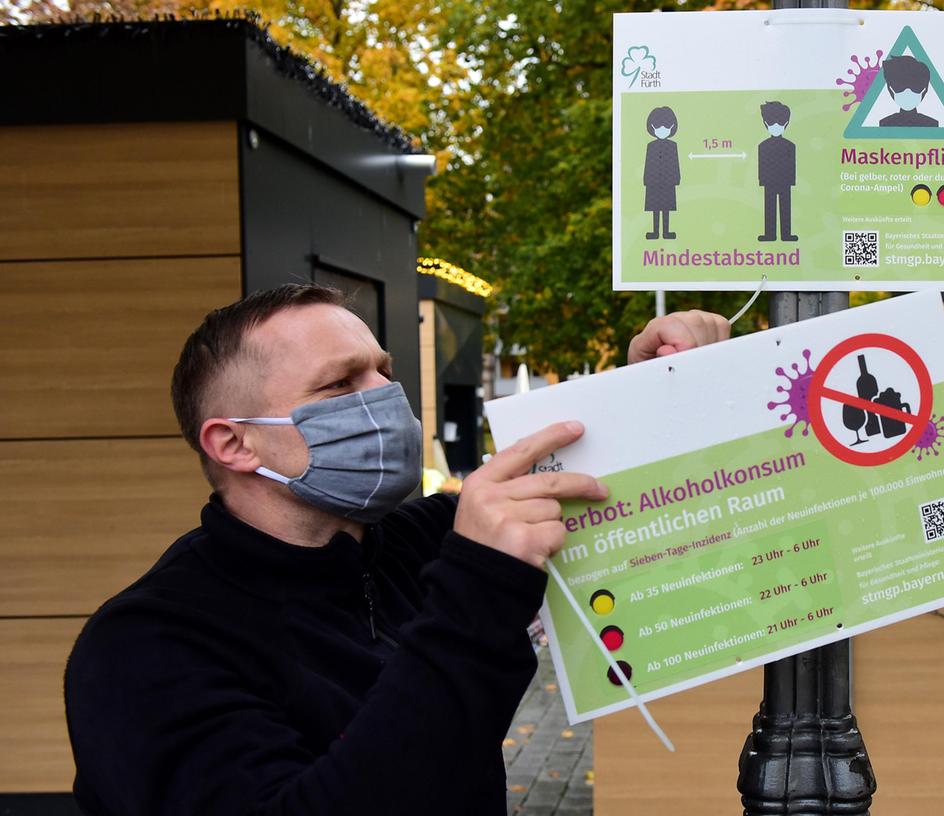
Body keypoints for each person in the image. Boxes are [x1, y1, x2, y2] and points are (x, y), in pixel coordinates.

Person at [63, 284, 730, 815]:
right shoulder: (145, 647)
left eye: (384, 371)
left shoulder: (409, 542)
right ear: (234, 443)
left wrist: (656, 389)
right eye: (340, 384)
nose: (386, 397)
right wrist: (475, 599)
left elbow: (599, 490)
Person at [756, 100, 797, 242]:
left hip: (785, 183)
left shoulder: (790, 146)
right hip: (769, 183)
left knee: (786, 208)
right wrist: (762, 180)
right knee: (770, 209)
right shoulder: (763, 146)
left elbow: (792, 165)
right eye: (772, 123)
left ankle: (786, 235)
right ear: (766, 124)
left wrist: (792, 181)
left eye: (779, 124)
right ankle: (770, 234)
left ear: (785, 124)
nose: (776, 127)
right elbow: (762, 165)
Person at [643, 106, 681, 240]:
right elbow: (648, 163)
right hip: (653, 183)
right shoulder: (651, 146)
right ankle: (654, 232)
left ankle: (666, 232)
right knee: (655, 208)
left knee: (666, 208)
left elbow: (675, 162)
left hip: (668, 183)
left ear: (672, 127)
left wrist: (677, 178)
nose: (662, 130)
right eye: (658, 127)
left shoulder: (673, 146)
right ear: (652, 128)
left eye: (666, 127)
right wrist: (646, 180)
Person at [878, 54, 938, 128]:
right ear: (890, 89)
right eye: (900, 86)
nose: (907, 92)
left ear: (925, 90)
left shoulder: (932, 125)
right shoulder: (884, 124)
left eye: (915, 86)